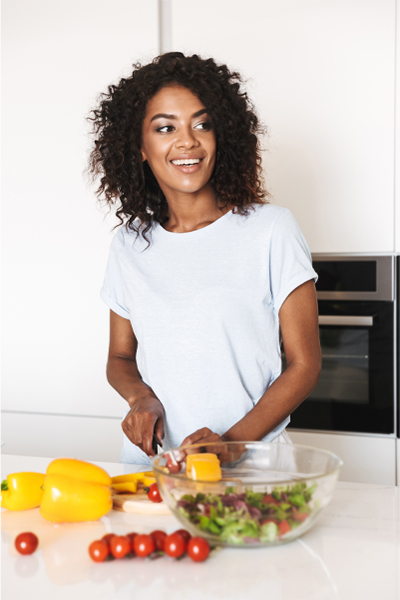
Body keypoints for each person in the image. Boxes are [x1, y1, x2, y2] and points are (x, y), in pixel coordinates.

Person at [88, 52, 321, 465]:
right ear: (139, 147)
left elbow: (303, 364)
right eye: (165, 128)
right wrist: (140, 398)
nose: (187, 141)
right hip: (154, 463)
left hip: (250, 465)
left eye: (202, 124)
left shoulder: (271, 230)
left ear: (220, 136)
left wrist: (230, 444)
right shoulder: (129, 244)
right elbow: (119, 358)